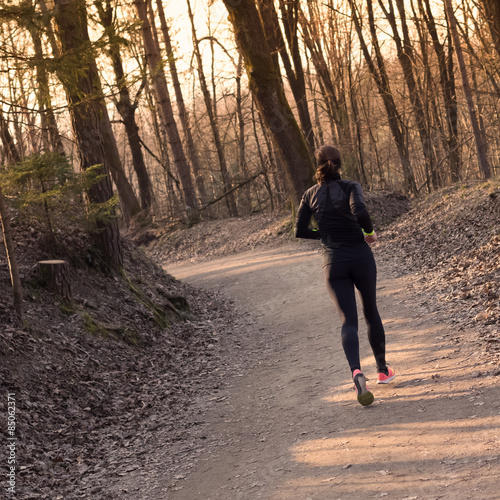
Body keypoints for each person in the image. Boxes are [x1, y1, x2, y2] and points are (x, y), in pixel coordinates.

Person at [295, 145, 396, 406]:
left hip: (333, 262)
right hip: (360, 257)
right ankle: (383, 371)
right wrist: (369, 232)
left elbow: (299, 230)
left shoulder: (309, 194)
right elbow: (360, 212)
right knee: (371, 311)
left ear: (317, 165)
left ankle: (356, 371)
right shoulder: (351, 186)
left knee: (347, 321)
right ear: (339, 163)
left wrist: (324, 236)